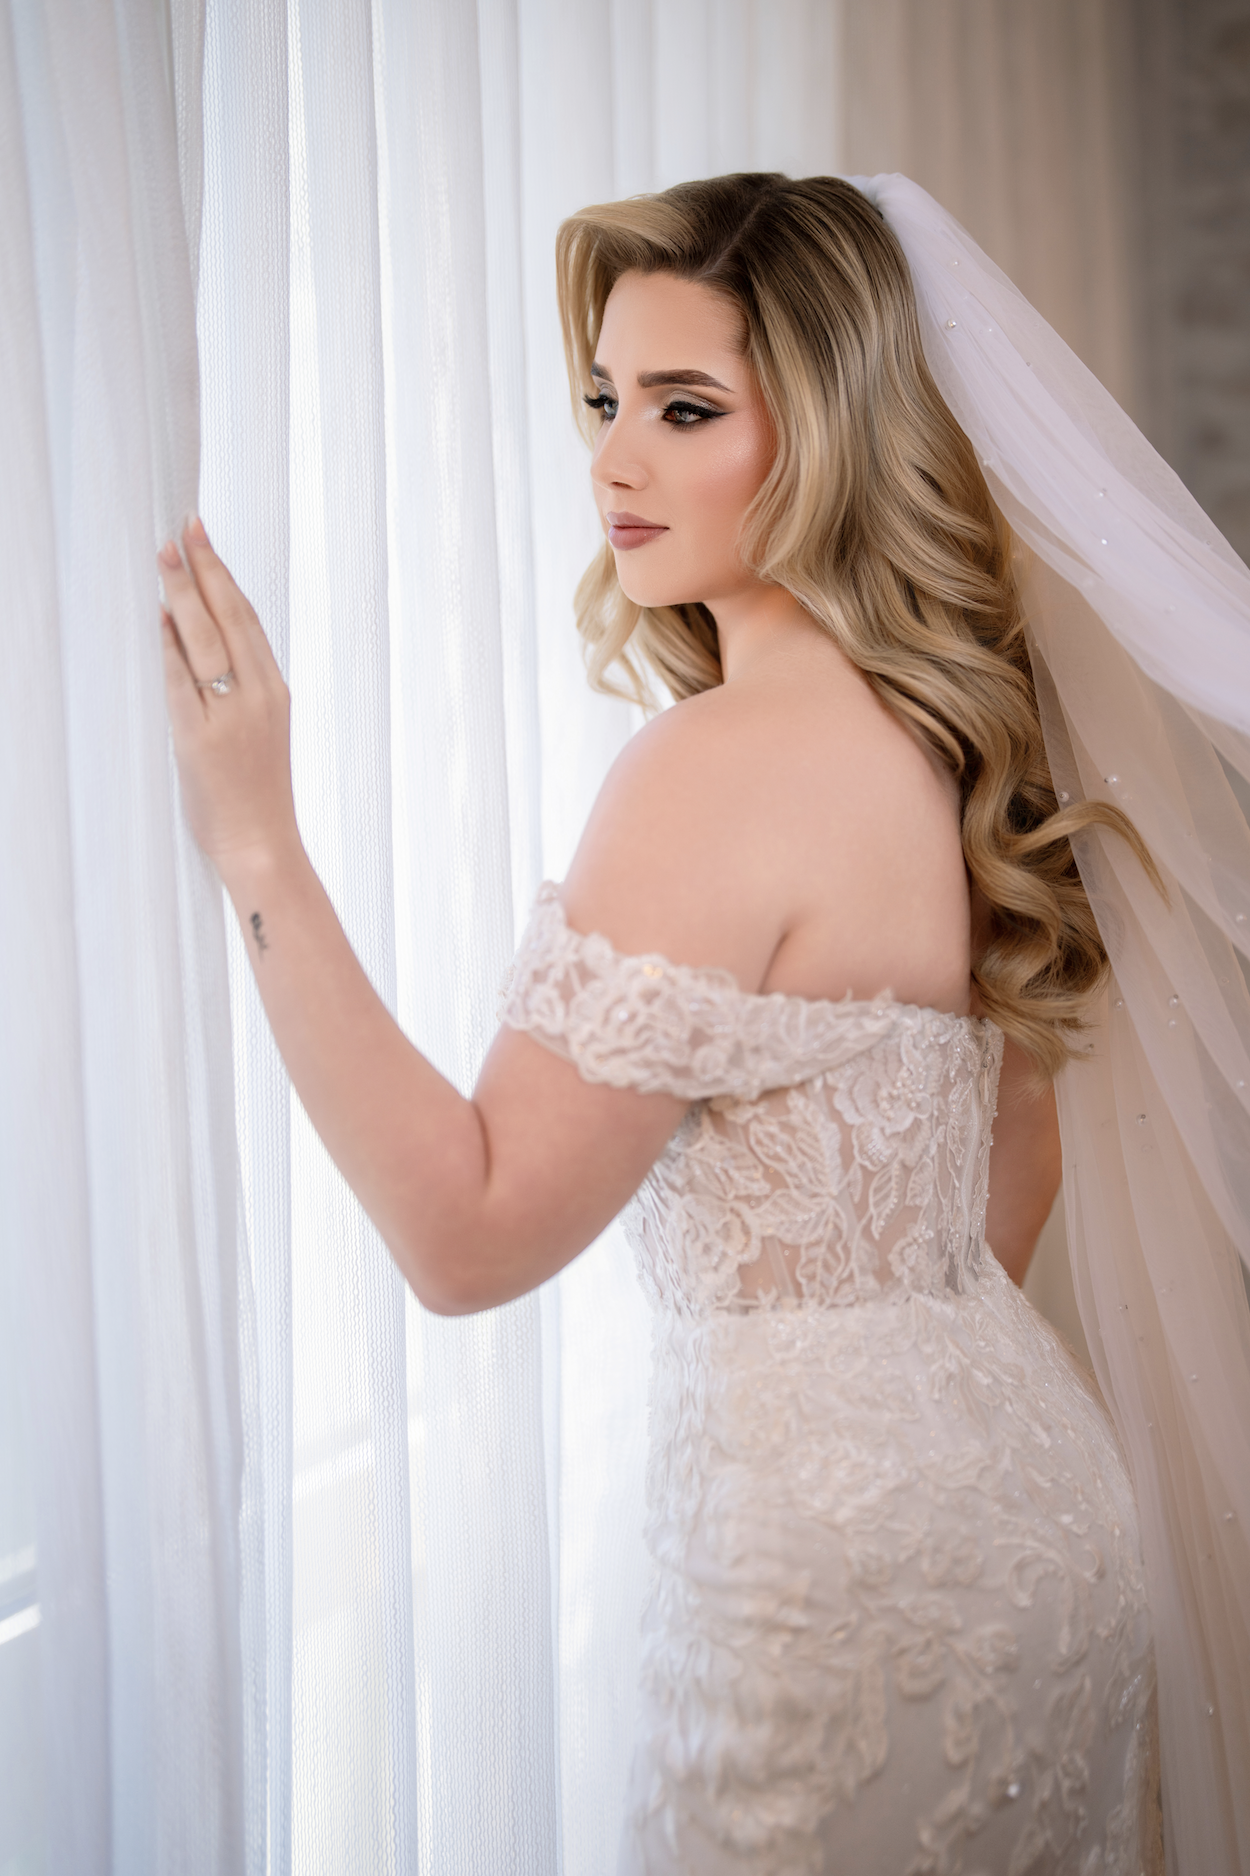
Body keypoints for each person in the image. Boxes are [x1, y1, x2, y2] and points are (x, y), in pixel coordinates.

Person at [159, 173, 1250, 1874]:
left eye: (684, 409)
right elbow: (999, 1189)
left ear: (824, 430)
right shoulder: (959, 745)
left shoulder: (713, 772)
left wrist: (256, 847)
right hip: (1035, 1519)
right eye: (604, 400)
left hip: (832, 1588)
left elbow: (464, 1235)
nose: (613, 459)